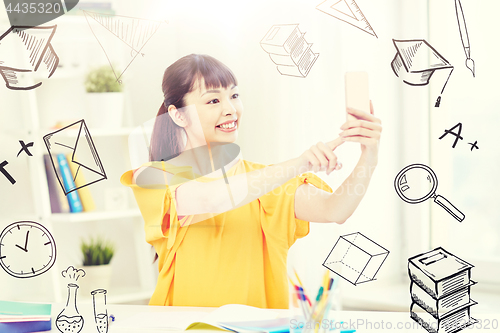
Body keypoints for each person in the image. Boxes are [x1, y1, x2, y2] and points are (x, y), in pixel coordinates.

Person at [120, 54, 382, 308]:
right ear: (178, 115)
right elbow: (211, 197)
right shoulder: (153, 177)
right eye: (212, 101)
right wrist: (301, 162)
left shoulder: (267, 180)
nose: (230, 109)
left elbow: (335, 209)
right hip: (182, 327)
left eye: (234, 95)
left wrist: (369, 155)